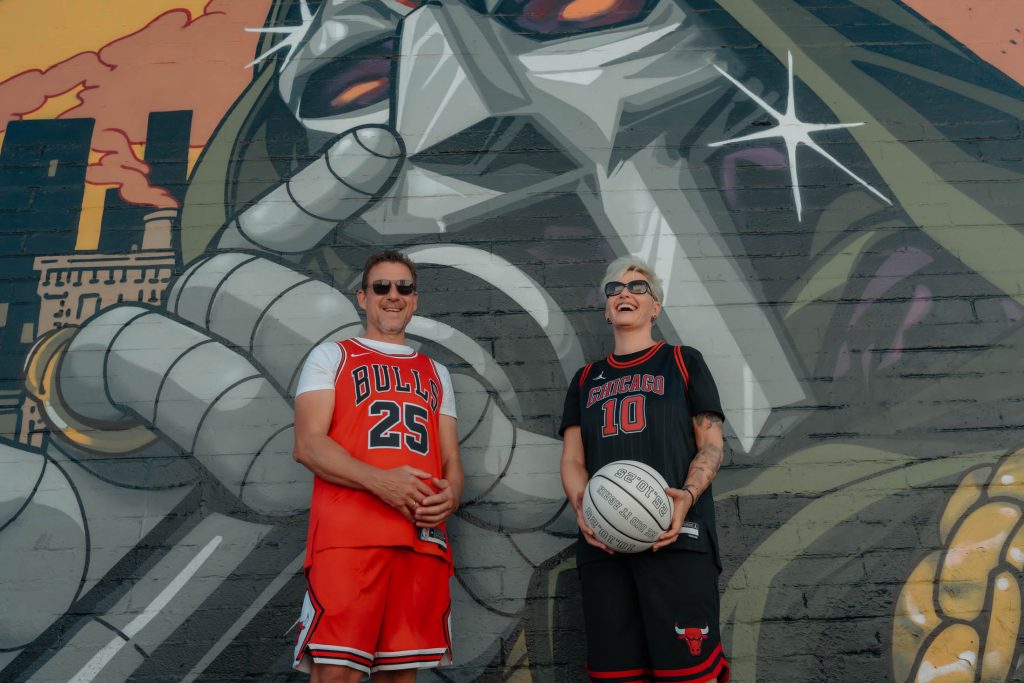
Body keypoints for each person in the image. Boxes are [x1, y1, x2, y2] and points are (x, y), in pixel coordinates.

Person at [291, 250, 463, 682]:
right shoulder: (332, 356)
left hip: (420, 541)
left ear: (415, 299)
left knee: (399, 676)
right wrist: (380, 482)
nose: (392, 295)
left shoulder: (436, 372)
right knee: (337, 673)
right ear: (362, 298)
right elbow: (308, 445)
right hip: (349, 539)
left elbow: (451, 461)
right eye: (381, 287)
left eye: (403, 287)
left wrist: (452, 496)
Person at [560, 256, 730, 683]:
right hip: (604, 546)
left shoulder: (683, 361)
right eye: (614, 289)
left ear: (655, 306)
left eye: (638, 288)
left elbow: (711, 445)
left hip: (678, 538)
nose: (624, 294)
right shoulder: (585, 380)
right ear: (605, 308)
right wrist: (584, 511)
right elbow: (573, 460)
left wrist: (687, 497)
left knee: (691, 676)